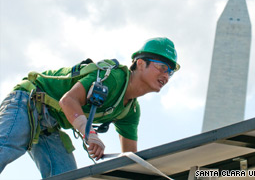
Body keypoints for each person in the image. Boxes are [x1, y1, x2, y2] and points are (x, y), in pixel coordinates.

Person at [0, 37, 180, 178]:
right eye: (162, 67)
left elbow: (130, 157)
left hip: (49, 124)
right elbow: (68, 101)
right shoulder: (114, 79)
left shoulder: (130, 111)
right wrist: (90, 135)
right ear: (140, 63)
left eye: (170, 72)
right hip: (28, 100)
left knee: (66, 176)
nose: (166, 75)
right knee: (5, 148)